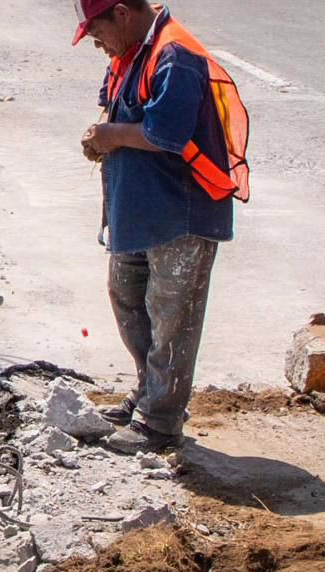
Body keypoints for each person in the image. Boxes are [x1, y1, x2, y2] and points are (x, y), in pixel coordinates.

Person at [73, 0, 249, 454]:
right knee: (128, 297)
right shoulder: (129, 53)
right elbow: (115, 112)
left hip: (180, 213)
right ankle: (149, 393)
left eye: (98, 31)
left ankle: (160, 421)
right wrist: (102, 136)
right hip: (141, 212)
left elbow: (165, 133)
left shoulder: (175, 56)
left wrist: (111, 136)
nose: (97, 43)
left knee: (171, 318)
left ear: (123, 14)